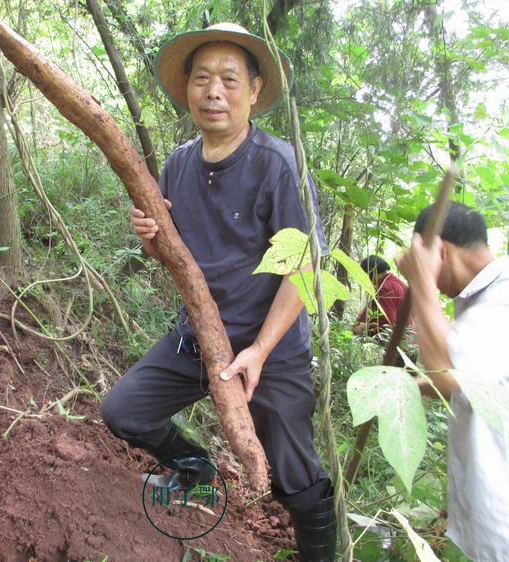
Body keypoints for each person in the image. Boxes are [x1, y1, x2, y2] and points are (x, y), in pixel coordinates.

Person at [100, 23, 335, 561]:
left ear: (254, 91)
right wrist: (150, 238)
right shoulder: (178, 164)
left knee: (295, 477)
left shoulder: (277, 164)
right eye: (203, 78)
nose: (214, 92)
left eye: (230, 79)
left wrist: (259, 350)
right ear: (186, 89)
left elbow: (305, 269)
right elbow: (174, 257)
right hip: (198, 338)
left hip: (269, 348)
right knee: (123, 411)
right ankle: (196, 468)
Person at [396, 202, 509, 561]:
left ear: (440, 252)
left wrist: (421, 281)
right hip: (496, 511)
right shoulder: (480, 300)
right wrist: (407, 388)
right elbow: (462, 382)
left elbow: (448, 369)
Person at [353, 255, 408, 336]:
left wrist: (365, 328)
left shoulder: (384, 288)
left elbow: (387, 323)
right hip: (409, 340)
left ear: (369, 273)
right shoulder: (399, 283)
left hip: (396, 342)